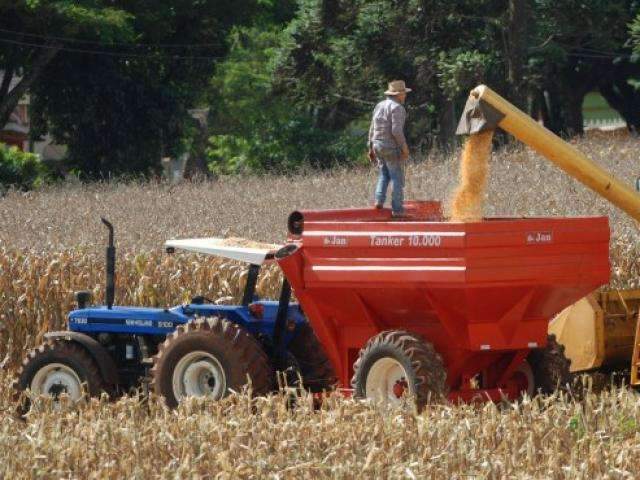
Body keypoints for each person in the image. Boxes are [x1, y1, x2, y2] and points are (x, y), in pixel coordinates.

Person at [368, 80, 411, 217]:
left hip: (377, 144)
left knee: (384, 174)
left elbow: (372, 127)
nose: (405, 96)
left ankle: (379, 200)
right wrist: (405, 148)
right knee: (397, 177)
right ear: (398, 94)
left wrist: (370, 147)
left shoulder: (379, 105)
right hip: (390, 146)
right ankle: (397, 210)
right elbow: (396, 131)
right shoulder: (397, 108)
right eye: (404, 93)